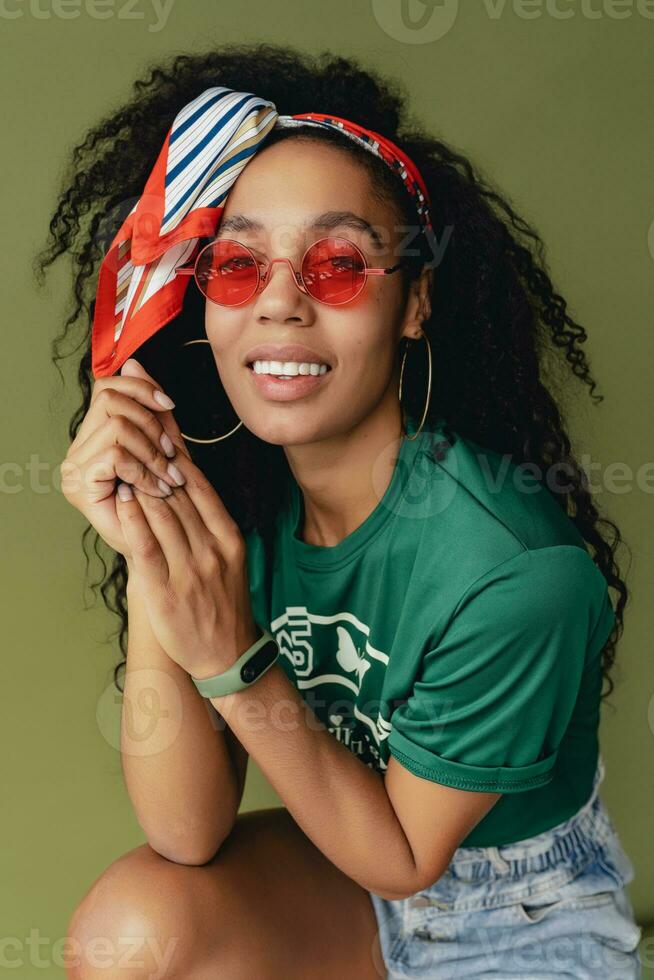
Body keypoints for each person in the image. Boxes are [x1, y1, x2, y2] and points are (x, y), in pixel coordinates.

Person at [37, 43, 641, 979]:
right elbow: (186, 832)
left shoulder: (515, 571)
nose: (279, 303)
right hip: (341, 875)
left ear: (414, 303)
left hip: (517, 908)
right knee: (131, 935)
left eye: (338, 265)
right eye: (237, 265)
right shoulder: (242, 495)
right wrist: (152, 536)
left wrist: (232, 660)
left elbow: (405, 860)